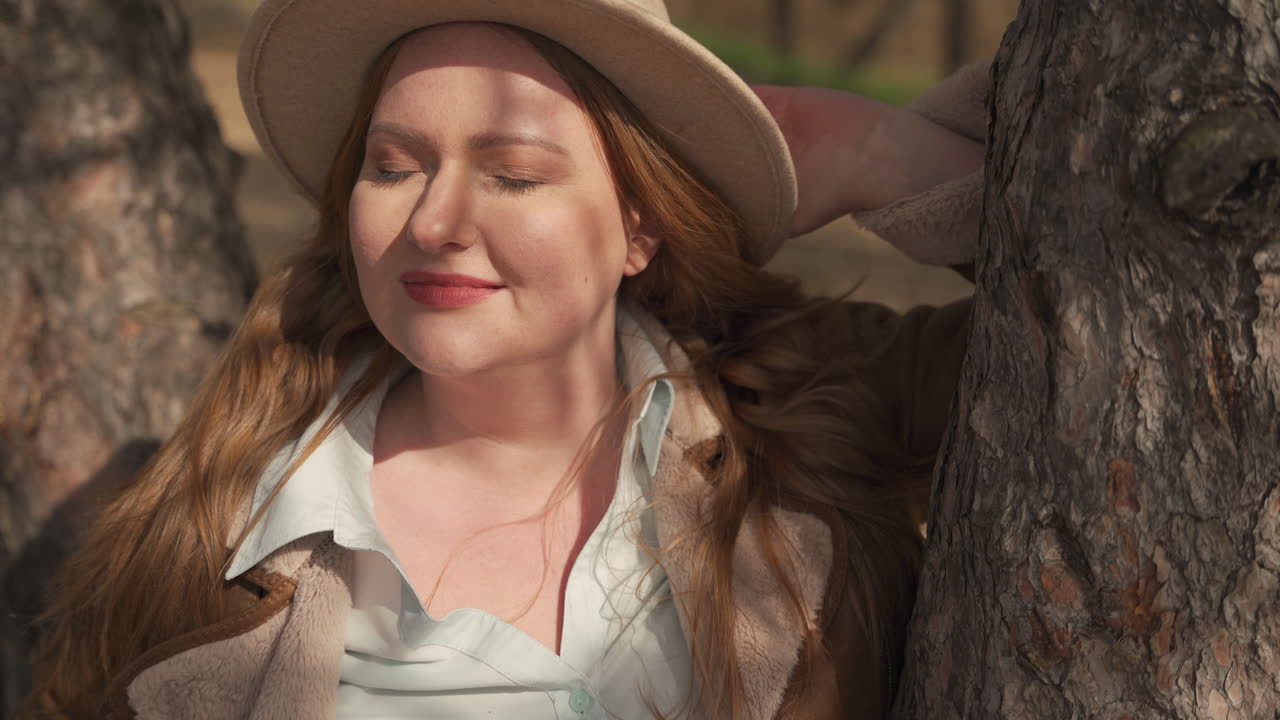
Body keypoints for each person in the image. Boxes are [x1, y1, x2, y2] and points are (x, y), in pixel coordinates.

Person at [23, 0, 989, 717]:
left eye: (514, 176)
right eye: (393, 166)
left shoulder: (810, 413)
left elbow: (1087, 333)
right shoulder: (220, 511)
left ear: (639, 224)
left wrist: (880, 151)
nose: (435, 223)